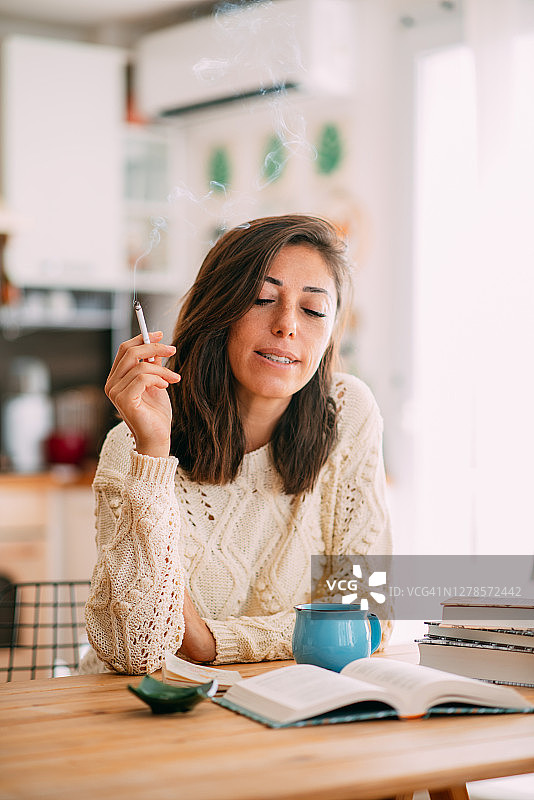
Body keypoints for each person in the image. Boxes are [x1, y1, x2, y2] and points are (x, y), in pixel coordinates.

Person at [82, 214, 392, 675]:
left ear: (329, 335)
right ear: (219, 311)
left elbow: (369, 618)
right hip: (150, 717)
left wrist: (210, 642)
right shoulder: (133, 445)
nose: (287, 325)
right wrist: (152, 450)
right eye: (263, 299)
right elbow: (136, 650)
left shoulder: (347, 412)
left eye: (312, 310)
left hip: (282, 704)